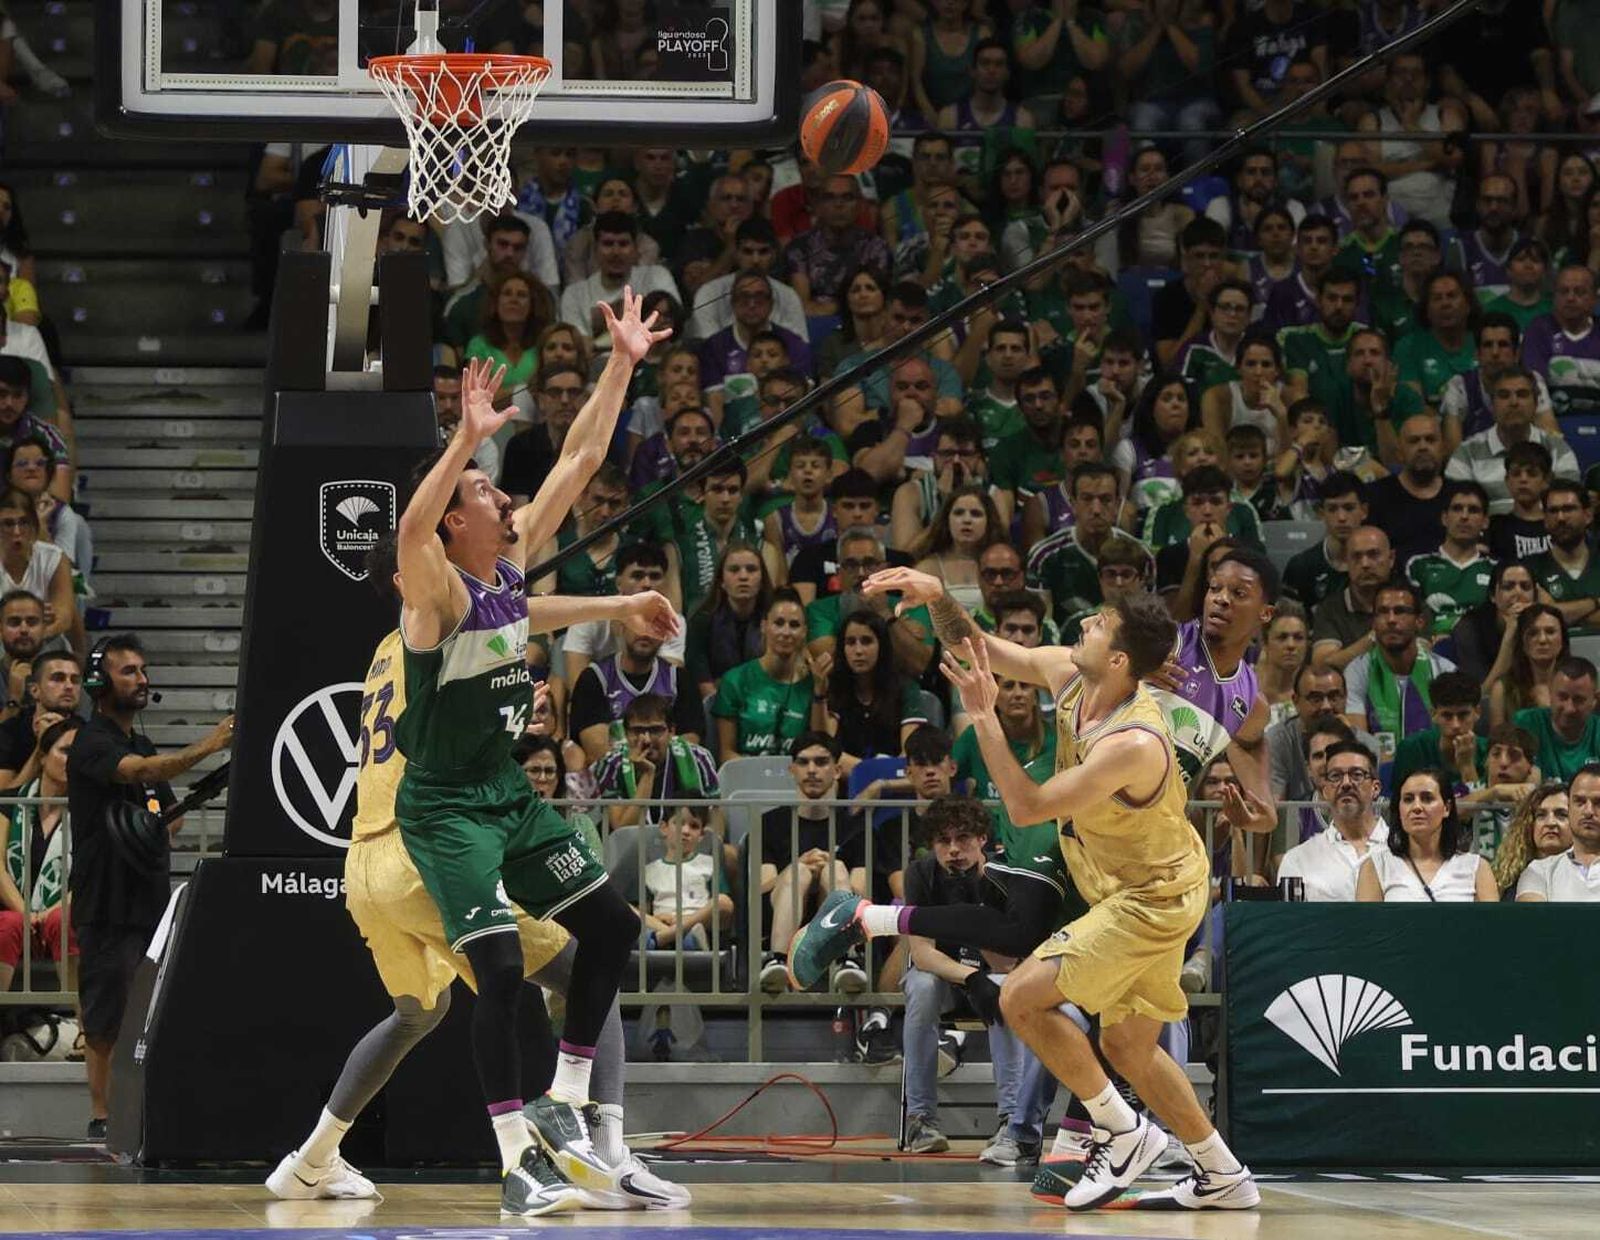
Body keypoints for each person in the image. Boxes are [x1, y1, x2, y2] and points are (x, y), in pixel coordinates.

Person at [270, 534, 686, 1212]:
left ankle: (310, 1159)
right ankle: (603, 1153)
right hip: (421, 846)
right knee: (588, 966)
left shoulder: (385, 652)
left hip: (363, 864)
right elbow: (518, 609)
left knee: (416, 1013)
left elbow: (517, 602)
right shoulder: (439, 624)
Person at [856, 570, 1264, 1209]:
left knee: (1021, 999)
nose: (1082, 625)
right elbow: (979, 649)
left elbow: (1027, 807)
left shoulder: (1133, 741)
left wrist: (984, 717)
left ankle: (1123, 1133)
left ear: (1121, 659)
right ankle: (1223, 1173)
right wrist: (940, 597)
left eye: (1098, 625)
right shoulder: (1071, 677)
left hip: (1152, 896)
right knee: (1126, 1044)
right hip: (1146, 882)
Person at [388, 293, 669, 1205]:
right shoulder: (433, 597)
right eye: (480, 492)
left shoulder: (507, 569)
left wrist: (621, 362)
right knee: (502, 968)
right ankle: (515, 1161)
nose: (499, 493)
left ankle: (569, 1099)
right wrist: (461, 442)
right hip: (442, 806)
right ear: (453, 525)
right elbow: (406, 528)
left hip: (505, 792)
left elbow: (583, 455)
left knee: (614, 927)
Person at [68, 634, 234, 1140]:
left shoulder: (140, 741)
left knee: (145, 1006)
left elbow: (170, 816)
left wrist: (148, 819)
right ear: (100, 684)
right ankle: (102, 1115)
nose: (142, 679)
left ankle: (135, 1113)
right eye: (129, 672)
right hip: (105, 898)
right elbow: (142, 773)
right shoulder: (92, 742)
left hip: (148, 894)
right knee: (105, 1012)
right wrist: (209, 744)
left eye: (143, 670)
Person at [885, 795, 1055, 1162]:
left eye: (962, 838)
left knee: (1006, 990)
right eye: (943, 841)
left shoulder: (1005, 875)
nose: (953, 850)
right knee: (921, 985)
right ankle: (921, 1119)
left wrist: (979, 906)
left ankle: (1012, 1119)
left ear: (982, 839)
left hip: (993, 972)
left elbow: (1008, 961)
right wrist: (969, 977)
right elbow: (922, 953)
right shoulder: (921, 874)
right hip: (948, 978)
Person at [758, 731, 868, 992]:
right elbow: (763, 887)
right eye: (804, 762)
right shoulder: (770, 823)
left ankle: (847, 961)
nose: (812, 770)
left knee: (835, 868)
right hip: (781, 909)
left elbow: (861, 890)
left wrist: (827, 869)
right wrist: (798, 865)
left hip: (837, 914)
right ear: (792, 769)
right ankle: (778, 962)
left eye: (821, 762)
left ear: (838, 770)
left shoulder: (855, 826)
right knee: (800, 872)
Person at [0, 715, 78, 993]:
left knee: (65, 920)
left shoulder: (89, 812)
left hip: (59, 916)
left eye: (79, 754)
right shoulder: (10, 803)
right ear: (43, 757)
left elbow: (90, 878)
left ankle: (84, 1029)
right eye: (65, 751)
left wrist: (46, 915)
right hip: (16, 913)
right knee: (8, 923)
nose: (73, 760)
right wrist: (26, 915)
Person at [1343, 579, 1457, 750]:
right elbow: (1359, 743)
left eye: (1400, 611)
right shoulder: (1357, 671)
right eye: (1382, 612)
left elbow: (1453, 735)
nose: (1391, 620)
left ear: (1419, 621)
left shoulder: (1444, 671)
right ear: (1373, 623)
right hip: (1378, 769)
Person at [1355, 769, 1498, 902]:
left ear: (1446, 808)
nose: (1417, 807)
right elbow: (1366, 927)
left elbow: (1491, 926)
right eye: (1408, 799)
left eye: (1427, 798)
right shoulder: (1376, 866)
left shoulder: (1477, 868)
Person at [1277, 739, 1390, 902]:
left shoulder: (1405, 852)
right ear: (1326, 791)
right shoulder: (1298, 859)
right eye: (1336, 776)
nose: (1346, 784)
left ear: (1376, 788)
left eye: (1357, 775)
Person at [591, 693, 719, 831]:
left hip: (686, 845)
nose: (647, 739)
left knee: (728, 852)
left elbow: (715, 820)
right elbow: (623, 829)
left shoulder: (698, 758)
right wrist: (647, 774)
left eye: (655, 730)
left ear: (671, 731)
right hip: (630, 849)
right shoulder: (612, 764)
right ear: (626, 734)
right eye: (637, 731)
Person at [712, 589, 815, 759]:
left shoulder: (812, 685)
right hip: (747, 779)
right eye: (779, 623)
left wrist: (820, 694)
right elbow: (726, 753)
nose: (786, 632)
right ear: (764, 626)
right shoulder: (735, 681)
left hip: (795, 779)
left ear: (805, 632)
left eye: (794, 625)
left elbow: (821, 749)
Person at [1405, 481, 1494, 638]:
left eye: (1473, 510)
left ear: (1485, 522)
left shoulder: (1496, 570)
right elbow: (1408, 617)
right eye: (1457, 509)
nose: (1464, 516)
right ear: (1444, 518)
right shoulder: (1417, 565)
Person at [1389, 672, 1489, 798]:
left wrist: (1467, 766)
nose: (1456, 725)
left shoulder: (1490, 750)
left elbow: (1481, 812)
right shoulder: (1412, 748)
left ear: (1477, 712)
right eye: (1447, 716)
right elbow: (1400, 804)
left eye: (1463, 715)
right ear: (1433, 715)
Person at [1282, 471, 1365, 610]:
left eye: (1349, 508)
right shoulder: (1300, 567)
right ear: (1321, 513)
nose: (1341, 517)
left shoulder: (1378, 566)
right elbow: (1286, 622)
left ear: (1364, 511)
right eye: (1332, 509)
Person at [0, 648, 80, 789]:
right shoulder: (9, 732)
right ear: (34, 690)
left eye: (75, 680)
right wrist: (41, 748)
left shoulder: (87, 733)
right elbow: (4, 801)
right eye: (58, 678)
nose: (69, 686)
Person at [1513, 657, 1600, 784]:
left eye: (1578, 699)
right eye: (1562, 697)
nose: (1569, 708)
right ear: (1550, 693)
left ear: (1595, 699)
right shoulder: (1526, 723)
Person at [1485, 604, 1568, 729]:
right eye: (1533, 633)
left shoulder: (1580, 682)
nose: (1542, 640)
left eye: (1550, 632)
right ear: (1522, 642)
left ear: (1562, 640)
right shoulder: (1502, 690)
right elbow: (1498, 741)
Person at [1493, 783, 1571, 897]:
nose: (1550, 823)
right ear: (1529, 824)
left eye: (1561, 815)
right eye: (1541, 815)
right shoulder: (1507, 879)